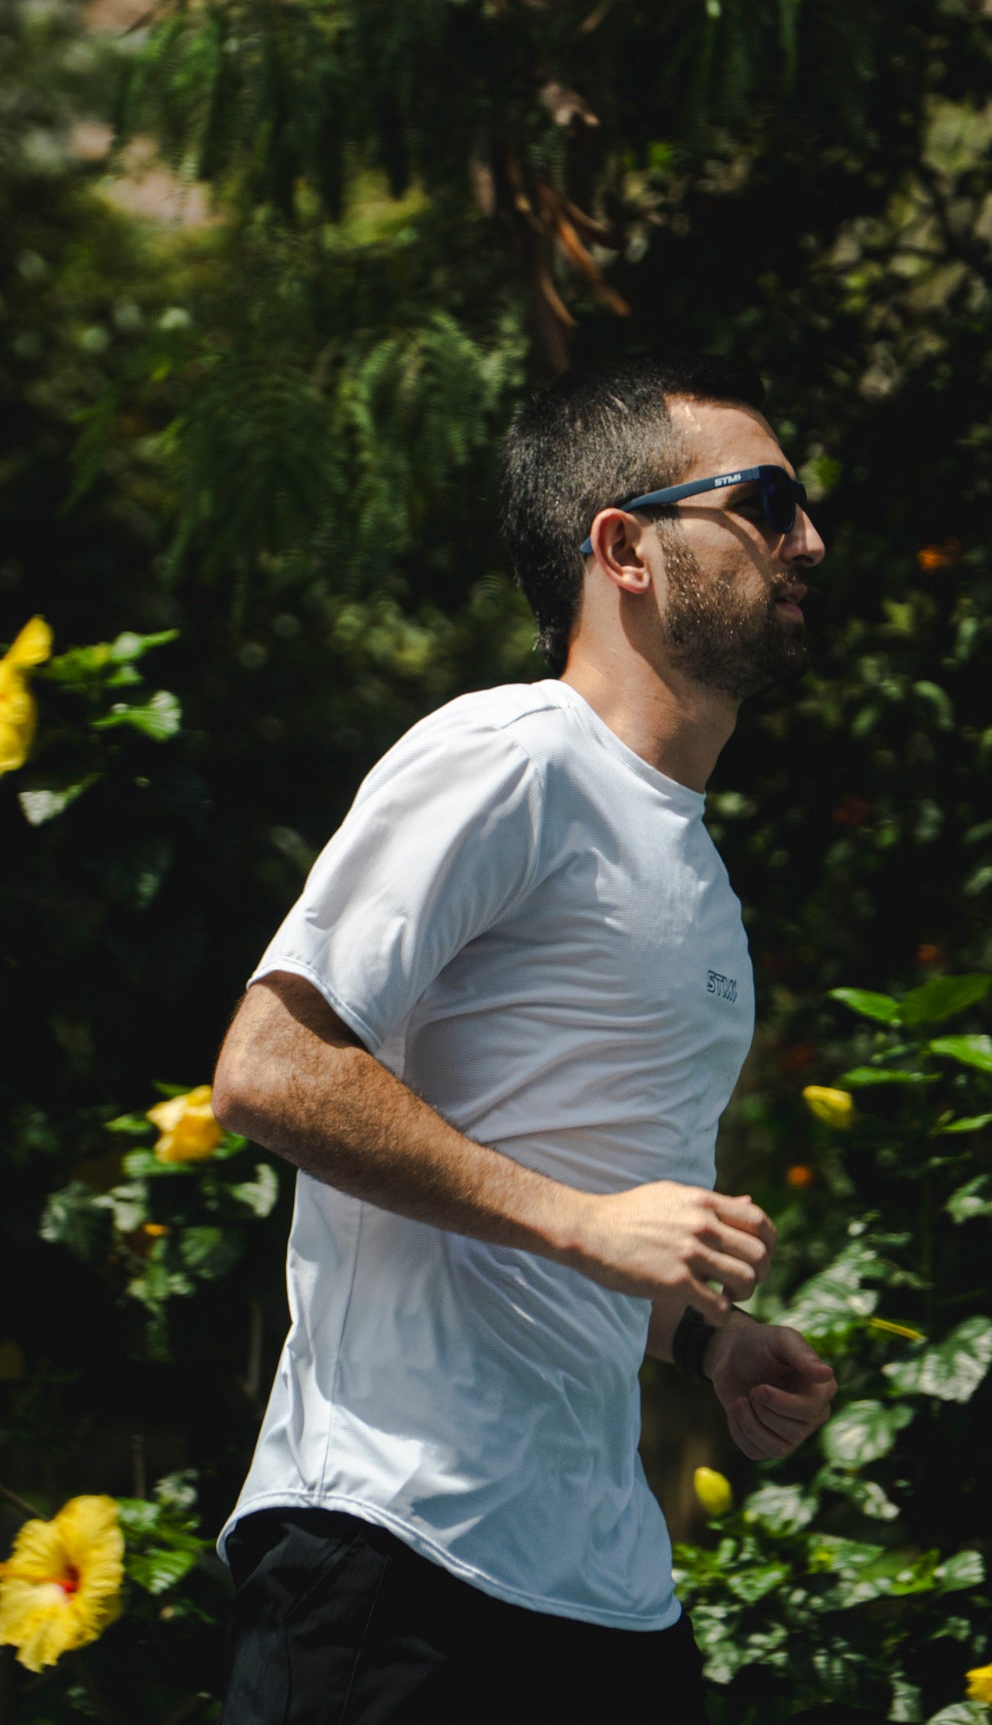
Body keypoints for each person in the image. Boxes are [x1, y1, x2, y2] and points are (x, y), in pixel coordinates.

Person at [211, 353, 838, 1722]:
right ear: (624, 548)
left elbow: (585, 1197)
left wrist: (707, 1342)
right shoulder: (513, 754)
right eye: (764, 503)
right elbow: (268, 1069)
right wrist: (585, 1224)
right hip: (396, 1552)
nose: (808, 542)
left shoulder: (694, 871)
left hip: (598, 1585)